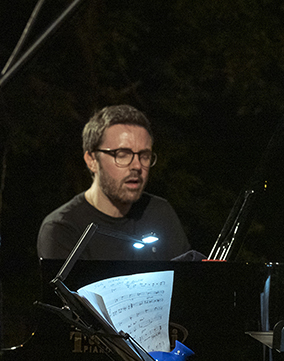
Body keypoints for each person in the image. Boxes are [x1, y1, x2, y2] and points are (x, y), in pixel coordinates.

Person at [37, 104, 191, 261]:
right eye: (122, 154)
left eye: (144, 155)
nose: (137, 166)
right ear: (92, 160)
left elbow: (186, 281)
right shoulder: (62, 228)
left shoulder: (159, 213)